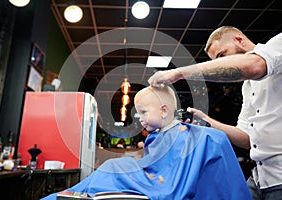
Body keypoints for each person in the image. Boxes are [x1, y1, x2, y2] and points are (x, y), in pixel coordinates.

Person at [42, 86, 251, 200]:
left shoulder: (202, 137)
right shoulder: (160, 137)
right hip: (152, 180)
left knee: (113, 166)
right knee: (112, 166)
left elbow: (172, 184)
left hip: (161, 187)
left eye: (143, 112)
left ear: (163, 110)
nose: (139, 118)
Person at [148, 26, 282, 199]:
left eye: (222, 56)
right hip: (260, 178)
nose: (220, 63)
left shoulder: (277, 45)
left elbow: (255, 66)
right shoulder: (248, 86)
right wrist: (207, 121)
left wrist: (179, 73)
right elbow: (247, 138)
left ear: (239, 40)